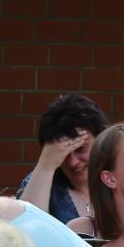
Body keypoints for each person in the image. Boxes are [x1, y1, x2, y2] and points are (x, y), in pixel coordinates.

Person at [17, 93, 109, 225]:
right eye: (63, 154)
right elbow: (26, 232)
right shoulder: (41, 181)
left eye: (80, 148)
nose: (73, 162)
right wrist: (46, 166)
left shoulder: (123, 179)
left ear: (101, 140)